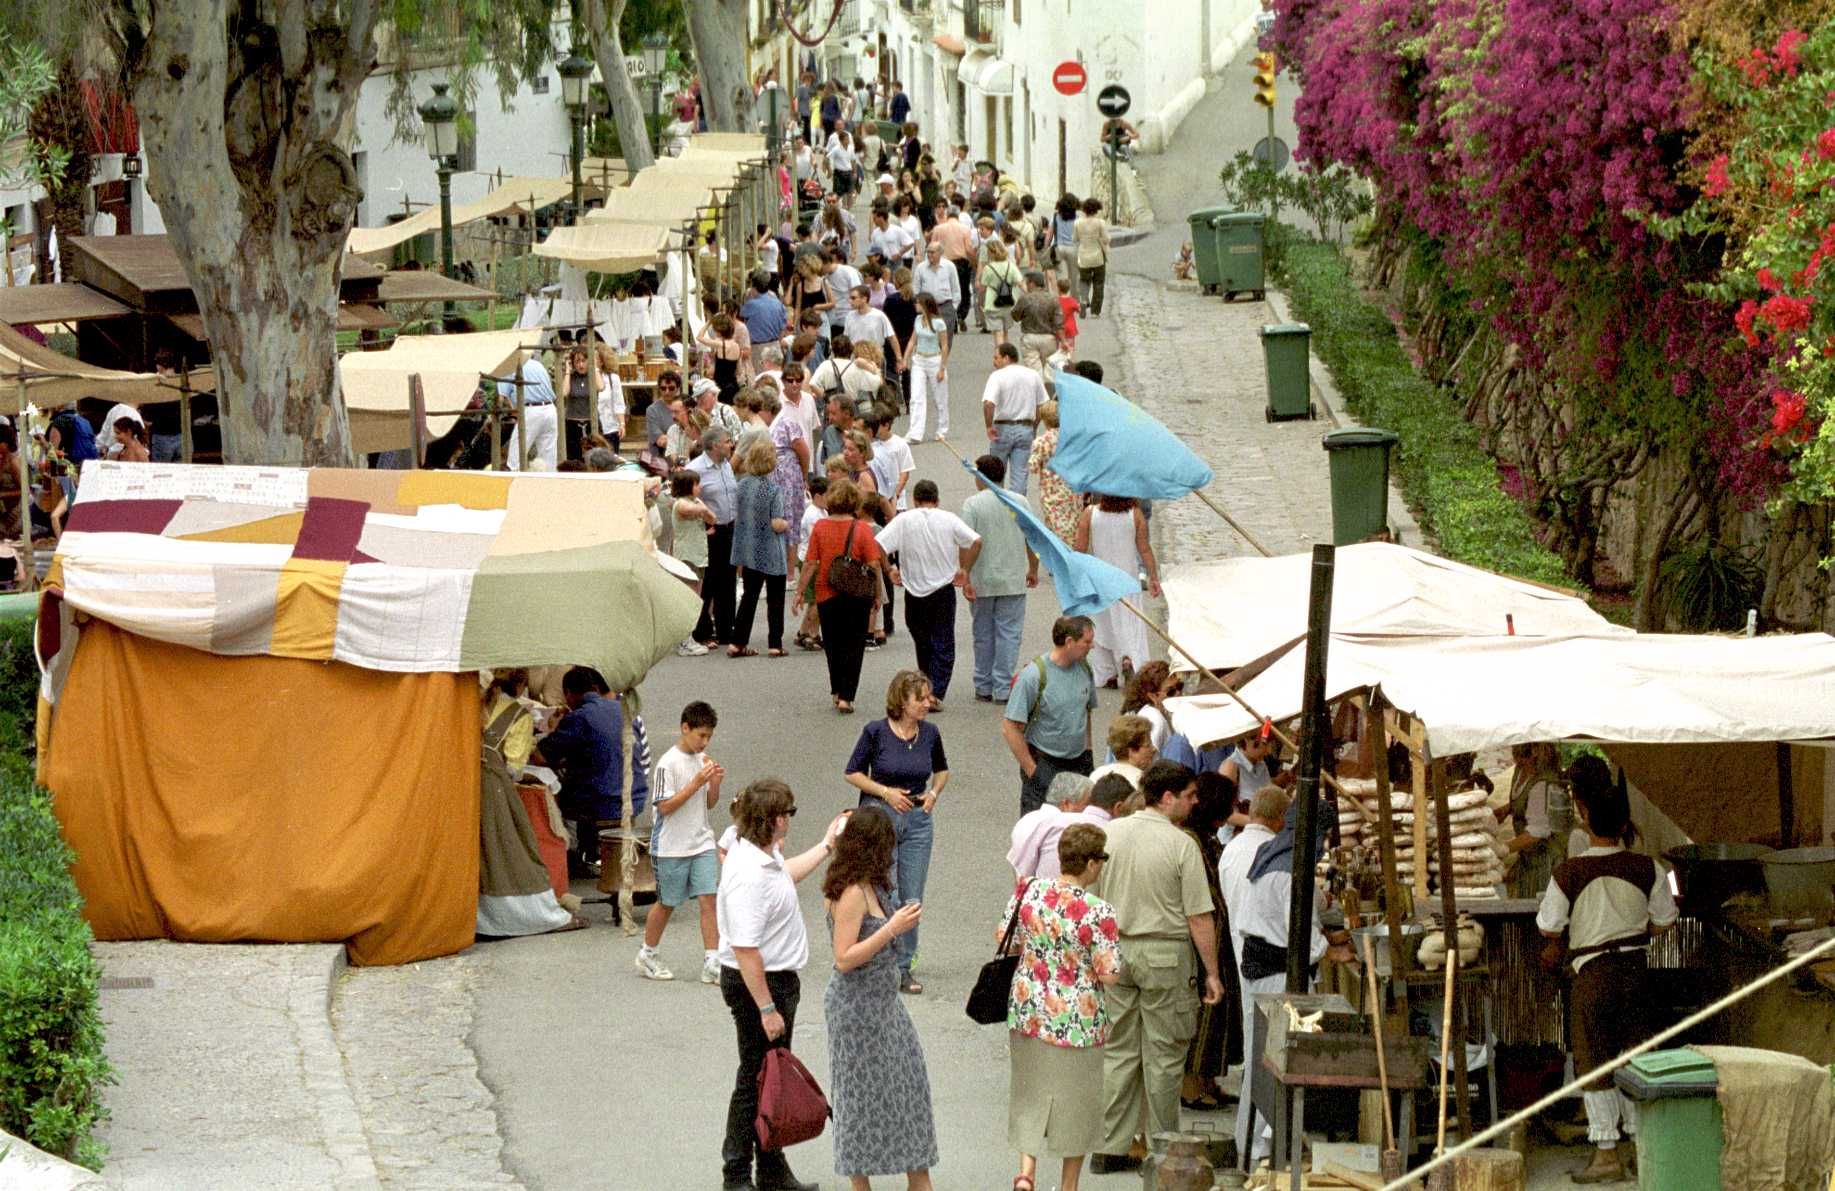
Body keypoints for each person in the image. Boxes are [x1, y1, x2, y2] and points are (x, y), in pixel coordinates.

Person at [1537, 759, 1676, 1185]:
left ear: (1584, 816)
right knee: (1636, 1058)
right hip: (1635, 972)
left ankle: (1607, 1154)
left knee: (1594, 1062)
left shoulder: (1568, 874)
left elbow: (1549, 927)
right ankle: (1641, 1148)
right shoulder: (1648, 867)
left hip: (1592, 975)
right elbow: (1665, 921)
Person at [1087, 761, 1223, 1175]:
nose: (1194, 802)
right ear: (1167, 798)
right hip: (1164, 954)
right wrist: (1212, 972)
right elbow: (1199, 916)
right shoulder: (1181, 844)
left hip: (1116, 952)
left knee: (1120, 1050)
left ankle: (1112, 1144)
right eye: (1189, 795)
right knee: (1164, 1055)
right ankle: (1165, 1147)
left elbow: (1089, 896)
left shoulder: (1110, 833)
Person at [717, 779, 847, 1191]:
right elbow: (745, 949)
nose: (791, 819)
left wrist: (827, 845)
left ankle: (771, 1170)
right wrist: (767, 1008)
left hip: (773, 980)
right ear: (774, 820)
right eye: (788, 813)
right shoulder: (749, 876)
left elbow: (785, 875)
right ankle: (738, 1173)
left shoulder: (759, 854)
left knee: (766, 1078)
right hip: (761, 984)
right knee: (754, 1079)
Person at [820, 804, 938, 1189]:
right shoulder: (853, 891)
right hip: (859, 1011)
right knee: (862, 1100)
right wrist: (892, 928)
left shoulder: (869, 882)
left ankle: (914, 1171)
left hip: (884, 1005)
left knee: (906, 1090)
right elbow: (844, 958)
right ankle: (865, 1179)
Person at [1234, 789, 1350, 1167]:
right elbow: (1298, 930)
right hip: (1277, 971)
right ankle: (1263, 1148)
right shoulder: (1287, 870)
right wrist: (1330, 949)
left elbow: (1302, 912)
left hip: (1263, 963)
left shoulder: (1274, 855)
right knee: (1278, 1058)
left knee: (1265, 1055)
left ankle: (1260, 1143)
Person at [1005, 823, 1122, 1191]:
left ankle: (1026, 1172)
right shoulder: (1097, 911)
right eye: (1100, 859)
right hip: (1077, 1018)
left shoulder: (1029, 891)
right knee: (1078, 1104)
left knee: (1030, 1091)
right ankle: (1068, 1185)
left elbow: (1005, 939)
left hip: (1028, 1009)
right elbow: (1110, 974)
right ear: (1090, 863)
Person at [843, 670, 950, 995]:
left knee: (912, 896)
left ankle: (904, 966)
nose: (927, 704)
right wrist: (885, 792)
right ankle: (881, 960)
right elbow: (853, 773)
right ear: (901, 701)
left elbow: (942, 770)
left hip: (918, 818)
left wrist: (933, 794)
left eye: (928, 697)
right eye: (921, 698)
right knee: (884, 891)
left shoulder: (930, 733)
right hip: (882, 816)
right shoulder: (875, 732)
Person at [476, 669, 580, 937]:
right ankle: (528, 915)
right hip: (493, 787)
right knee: (512, 850)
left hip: (465, 785)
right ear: (522, 685)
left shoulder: (475, 704)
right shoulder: (518, 715)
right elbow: (514, 768)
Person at [1220, 783, 1289, 1161]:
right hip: (1263, 959)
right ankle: (1256, 1140)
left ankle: (1251, 1137)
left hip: (1243, 955)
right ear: (1279, 819)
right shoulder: (1267, 855)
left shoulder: (1232, 850)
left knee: (1256, 1047)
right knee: (1267, 1050)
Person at [638, 701, 725, 983]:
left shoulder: (703, 761)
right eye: (701, 735)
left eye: (709, 736)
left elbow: (710, 804)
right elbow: (664, 807)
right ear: (684, 728)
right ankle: (648, 953)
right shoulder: (667, 764)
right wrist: (697, 783)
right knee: (667, 902)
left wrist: (714, 785)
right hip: (671, 846)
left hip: (701, 841)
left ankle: (713, 960)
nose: (704, 742)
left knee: (709, 900)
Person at [876, 480, 979, 706]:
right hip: (942, 588)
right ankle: (935, 692)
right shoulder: (949, 519)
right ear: (937, 499)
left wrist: (890, 569)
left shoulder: (903, 520)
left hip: (914, 589)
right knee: (943, 641)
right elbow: (975, 541)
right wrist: (965, 570)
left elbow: (879, 545)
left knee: (921, 639)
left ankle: (926, 685)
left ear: (915, 500)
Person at [792, 478, 888, 714]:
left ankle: (836, 689)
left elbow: (811, 562)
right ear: (855, 501)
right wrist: (877, 595)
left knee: (833, 644)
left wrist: (800, 591)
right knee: (854, 644)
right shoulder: (863, 529)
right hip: (857, 594)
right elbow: (874, 564)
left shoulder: (821, 528)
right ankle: (847, 696)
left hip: (827, 592)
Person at [1181, 772, 1240, 1112]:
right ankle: (1192, 1083)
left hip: (1215, 936)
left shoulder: (1203, 838)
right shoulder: (1193, 843)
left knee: (1215, 1015)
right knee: (1205, 1012)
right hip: (1206, 939)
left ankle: (1206, 1079)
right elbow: (1206, 900)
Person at [532, 667, 625, 880]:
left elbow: (541, 757)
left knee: (555, 789)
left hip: (598, 799)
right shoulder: (619, 709)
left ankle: (571, 852)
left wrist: (555, 728)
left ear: (569, 693)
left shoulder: (579, 718)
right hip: (630, 793)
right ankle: (587, 851)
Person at [1003, 615, 1099, 816]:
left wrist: (1088, 751)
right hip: (1045, 762)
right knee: (1039, 832)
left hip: (1078, 763)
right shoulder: (1033, 676)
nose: (1092, 647)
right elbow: (1010, 728)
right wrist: (1033, 771)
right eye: (1087, 642)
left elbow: (1086, 712)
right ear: (1069, 642)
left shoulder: (1085, 669)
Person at [962, 455, 1039, 703]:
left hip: (982, 577)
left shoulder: (972, 505)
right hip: (1013, 577)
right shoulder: (1019, 501)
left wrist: (965, 573)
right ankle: (1003, 686)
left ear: (980, 476)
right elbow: (1032, 537)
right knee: (1009, 634)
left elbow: (967, 542)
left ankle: (983, 683)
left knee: (982, 633)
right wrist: (1033, 568)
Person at [1075, 495, 1160, 688]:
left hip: (1101, 580)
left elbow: (1079, 549)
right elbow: (1144, 549)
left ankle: (1106, 673)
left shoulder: (1090, 514)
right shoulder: (1135, 515)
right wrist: (1153, 576)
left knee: (1102, 624)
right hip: (1127, 580)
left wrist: (1077, 578)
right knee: (1129, 623)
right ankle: (1129, 659)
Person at [1008, 771, 1133, 880]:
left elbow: (1021, 871)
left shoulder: (1045, 822)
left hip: (1041, 898)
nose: (1087, 807)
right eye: (1086, 803)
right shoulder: (1119, 834)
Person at [731, 438, 791, 658]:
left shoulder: (742, 486)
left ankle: (738, 642)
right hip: (770, 549)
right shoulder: (773, 490)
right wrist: (786, 524)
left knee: (750, 595)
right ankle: (775, 643)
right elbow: (776, 522)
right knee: (775, 598)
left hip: (748, 547)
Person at [689, 428, 741, 651]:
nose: (731, 445)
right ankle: (701, 631)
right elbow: (682, 500)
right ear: (713, 446)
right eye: (727, 442)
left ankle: (725, 628)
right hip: (709, 530)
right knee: (707, 581)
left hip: (729, 528)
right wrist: (702, 519)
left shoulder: (726, 465)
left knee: (728, 580)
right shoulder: (695, 469)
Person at [1505, 741, 1572, 897]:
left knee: (1539, 906)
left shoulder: (1544, 783)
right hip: (1528, 856)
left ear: (1535, 752)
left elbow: (1537, 832)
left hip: (1545, 857)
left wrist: (1502, 849)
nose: (1519, 764)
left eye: (1522, 759)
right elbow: (1524, 800)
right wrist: (1505, 810)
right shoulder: (1520, 770)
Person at [671, 470, 716, 656]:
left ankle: (688, 637)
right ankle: (683, 641)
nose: (700, 487)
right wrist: (703, 510)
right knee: (688, 598)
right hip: (687, 556)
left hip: (699, 556)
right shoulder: (680, 503)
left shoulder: (697, 502)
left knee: (696, 599)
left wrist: (703, 510)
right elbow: (690, 510)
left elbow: (713, 519)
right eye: (697, 484)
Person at [1027, 401, 1078, 544]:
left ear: (1044, 419)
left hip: (1051, 492)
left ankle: (1059, 560)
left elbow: (1033, 468)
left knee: (1055, 529)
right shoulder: (1072, 439)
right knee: (1073, 527)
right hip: (1072, 490)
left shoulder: (1042, 442)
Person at [903, 294, 951, 444]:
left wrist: (942, 367)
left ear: (925, 305)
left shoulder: (939, 323)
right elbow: (912, 341)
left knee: (940, 398)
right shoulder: (918, 320)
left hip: (934, 360)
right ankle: (915, 433)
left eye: (917, 303)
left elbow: (944, 345)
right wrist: (905, 358)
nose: (915, 305)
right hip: (919, 360)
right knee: (916, 397)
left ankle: (942, 429)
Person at [499, 353, 558, 470]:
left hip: (530, 410)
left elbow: (502, 398)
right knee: (549, 457)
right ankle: (550, 484)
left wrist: (514, 414)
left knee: (516, 455)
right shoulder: (538, 365)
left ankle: (515, 482)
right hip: (550, 409)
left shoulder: (508, 368)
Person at [1121, 661, 1175, 753]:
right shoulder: (1155, 721)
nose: (1178, 693)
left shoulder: (1141, 712)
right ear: (1153, 696)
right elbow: (1145, 756)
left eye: (1180, 686)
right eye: (1171, 692)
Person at [699, 313, 753, 404]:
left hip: (720, 387)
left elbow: (699, 337)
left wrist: (708, 323)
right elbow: (739, 371)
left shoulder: (720, 345)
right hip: (733, 386)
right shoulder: (737, 347)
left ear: (719, 331)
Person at [739, 272, 788, 372]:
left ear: (754, 287)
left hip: (758, 349)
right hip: (775, 345)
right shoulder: (777, 303)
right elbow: (783, 327)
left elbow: (741, 319)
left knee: (759, 380)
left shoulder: (751, 304)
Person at [1089, 715, 1156, 788]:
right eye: (1148, 745)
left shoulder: (1097, 775)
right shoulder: (1143, 782)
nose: (1154, 749)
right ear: (1132, 751)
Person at [979, 239, 1023, 347]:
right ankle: (1007, 357)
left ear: (991, 252)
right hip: (1009, 303)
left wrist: (980, 302)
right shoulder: (1010, 265)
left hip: (992, 304)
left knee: (998, 333)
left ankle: (1000, 355)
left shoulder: (988, 268)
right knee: (1005, 332)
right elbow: (1020, 282)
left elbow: (982, 289)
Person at [1073, 198, 1111, 317]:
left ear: (1084, 209)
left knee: (1084, 281)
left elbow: (1074, 239)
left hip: (1083, 256)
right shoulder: (1100, 223)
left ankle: (1083, 301)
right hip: (1098, 257)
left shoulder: (1077, 222)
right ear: (1096, 209)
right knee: (1098, 283)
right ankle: (1095, 312)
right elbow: (1106, 239)